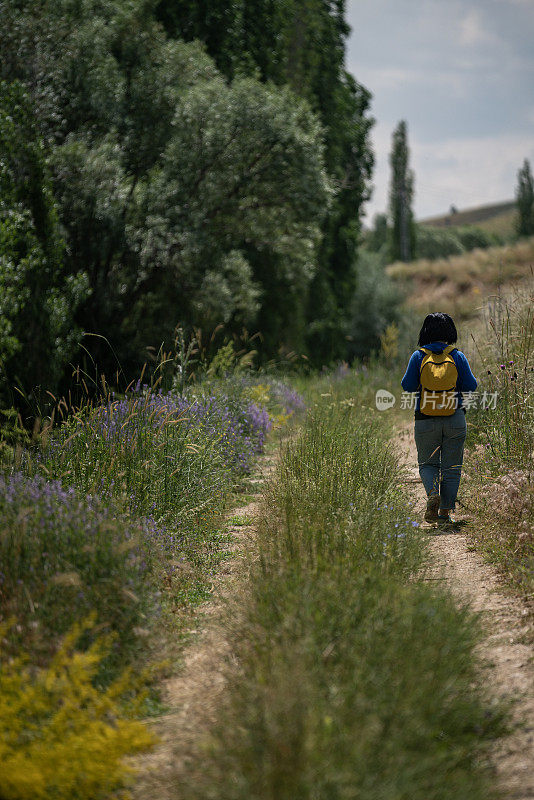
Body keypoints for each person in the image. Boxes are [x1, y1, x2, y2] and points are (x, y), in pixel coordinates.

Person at [401, 312, 477, 527]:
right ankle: (444, 514)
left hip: (425, 419)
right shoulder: (457, 356)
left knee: (427, 463)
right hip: (455, 418)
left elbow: (406, 386)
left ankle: (433, 493)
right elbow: (472, 386)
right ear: (450, 331)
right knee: (452, 467)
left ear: (425, 331)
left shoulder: (418, 356)